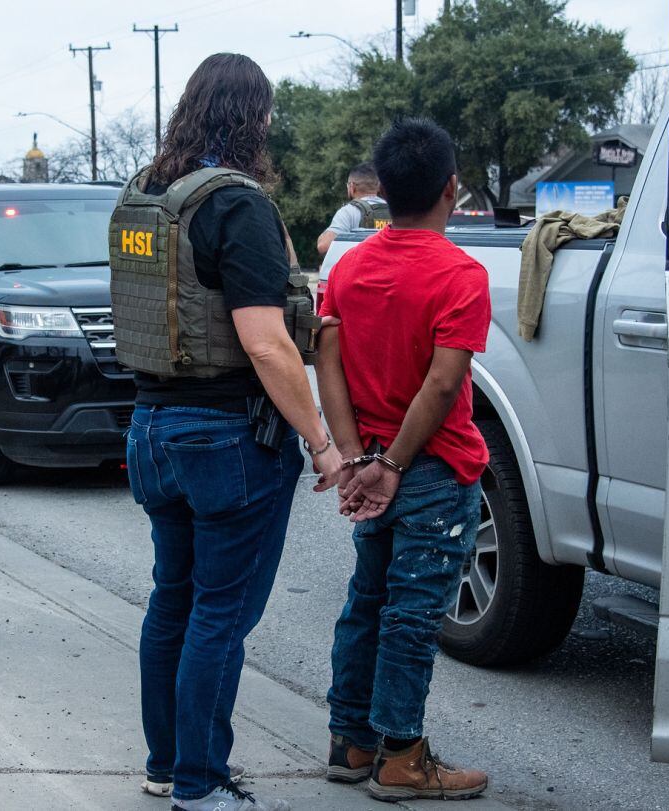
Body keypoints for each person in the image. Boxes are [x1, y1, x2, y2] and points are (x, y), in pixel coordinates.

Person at [110, 53, 343, 811]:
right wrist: (320, 437)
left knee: (172, 599)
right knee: (219, 614)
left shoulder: (146, 193)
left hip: (151, 425)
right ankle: (201, 784)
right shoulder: (235, 205)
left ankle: (166, 763)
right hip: (224, 436)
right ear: (257, 119)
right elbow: (268, 342)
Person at [317, 118, 491, 802]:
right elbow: (444, 383)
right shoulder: (460, 273)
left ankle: (351, 740)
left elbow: (325, 361)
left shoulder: (349, 267)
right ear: (451, 189)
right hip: (435, 469)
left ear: (381, 192)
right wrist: (391, 462)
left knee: (368, 599)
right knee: (413, 612)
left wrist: (358, 456)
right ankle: (401, 757)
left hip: (371, 464)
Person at [314, 162, 391, 259]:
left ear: (351, 187)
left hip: (363, 271)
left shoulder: (349, 211)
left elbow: (323, 246)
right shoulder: (394, 209)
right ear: (378, 186)